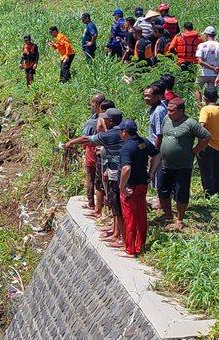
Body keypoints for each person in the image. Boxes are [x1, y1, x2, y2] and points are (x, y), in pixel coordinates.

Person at [66, 108, 125, 248]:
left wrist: (71, 142)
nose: (102, 120)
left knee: (117, 205)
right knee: (114, 204)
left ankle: (119, 236)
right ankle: (115, 231)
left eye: (105, 118)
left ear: (110, 121)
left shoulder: (111, 134)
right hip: (115, 171)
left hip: (116, 173)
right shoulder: (122, 132)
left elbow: (86, 139)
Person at [158, 98, 212, 231]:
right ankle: (167, 215)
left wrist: (195, 151)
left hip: (183, 166)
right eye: (168, 109)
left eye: (172, 110)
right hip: (165, 163)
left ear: (181, 111)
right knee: (162, 190)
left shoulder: (190, 123)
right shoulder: (166, 119)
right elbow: (162, 136)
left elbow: (206, 136)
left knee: (181, 193)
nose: (169, 112)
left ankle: (179, 220)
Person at [118, 119, 158, 257]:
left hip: (130, 187)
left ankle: (130, 249)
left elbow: (126, 168)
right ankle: (140, 245)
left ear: (125, 132)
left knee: (130, 217)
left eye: (120, 131)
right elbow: (157, 154)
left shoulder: (127, 148)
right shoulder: (143, 142)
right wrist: (151, 173)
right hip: (143, 183)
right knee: (141, 214)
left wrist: (122, 186)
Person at [82, 93, 106, 214]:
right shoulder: (109, 118)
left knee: (91, 177)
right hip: (104, 152)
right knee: (102, 178)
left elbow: (85, 138)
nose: (91, 105)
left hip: (92, 151)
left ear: (96, 104)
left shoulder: (92, 122)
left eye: (92, 103)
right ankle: (103, 204)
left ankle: (92, 203)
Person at [145, 84, 167, 189]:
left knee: (159, 172)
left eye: (149, 96)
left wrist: (155, 152)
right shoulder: (154, 108)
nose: (146, 98)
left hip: (159, 148)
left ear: (157, 96)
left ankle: (160, 195)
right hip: (156, 147)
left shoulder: (158, 111)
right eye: (145, 96)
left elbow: (160, 134)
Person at [199, 87, 219, 198]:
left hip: (208, 145)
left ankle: (209, 194)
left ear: (205, 98)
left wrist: (199, 144)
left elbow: (201, 126)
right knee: (217, 171)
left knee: (207, 171)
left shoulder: (206, 110)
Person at [195, 26, 219, 98]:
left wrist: (212, 68)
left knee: (197, 89)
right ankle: (210, 104)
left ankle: (200, 105)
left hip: (202, 73)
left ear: (206, 35)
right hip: (214, 74)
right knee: (211, 92)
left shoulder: (201, 45)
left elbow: (200, 61)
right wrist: (215, 69)